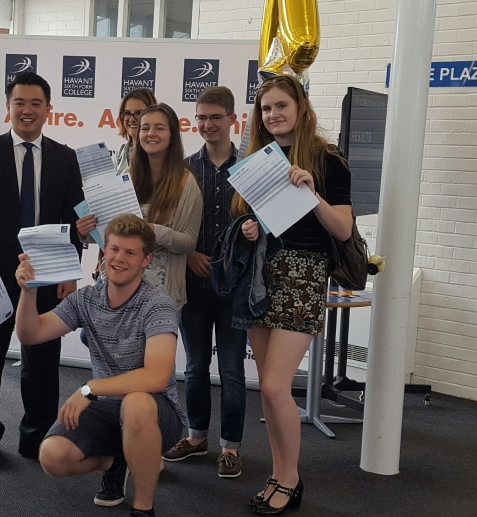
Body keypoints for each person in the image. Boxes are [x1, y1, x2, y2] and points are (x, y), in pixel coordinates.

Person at [233, 75, 352, 515]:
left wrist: (312, 193)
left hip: (303, 274)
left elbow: (342, 228)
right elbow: (259, 222)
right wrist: (248, 227)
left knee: (275, 385)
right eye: (266, 109)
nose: (273, 115)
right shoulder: (258, 159)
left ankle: (290, 477)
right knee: (267, 392)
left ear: (301, 107)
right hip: (262, 273)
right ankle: (279, 474)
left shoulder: (327, 158)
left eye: (281, 106)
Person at [14, 214, 187, 517]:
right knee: (52, 456)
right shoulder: (86, 299)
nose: (119, 259)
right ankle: (117, 460)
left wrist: (90, 387)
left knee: (135, 404)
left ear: (146, 259)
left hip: (157, 412)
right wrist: (28, 292)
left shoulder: (158, 304)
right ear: (104, 251)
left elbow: (157, 377)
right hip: (108, 408)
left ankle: (143, 508)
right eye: (114, 249)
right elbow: (31, 334)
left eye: (130, 253)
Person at [0, 71, 85, 466]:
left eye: (36, 103)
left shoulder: (66, 157)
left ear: (49, 109)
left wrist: (71, 271)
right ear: (8, 107)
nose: (28, 110)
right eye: (20, 103)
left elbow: (72, 217)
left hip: (48, 272)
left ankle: (37, 436)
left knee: (43, 359)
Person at [162, 86, 249, 479]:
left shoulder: (250, 167)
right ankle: (196, 438)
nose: (207, 124)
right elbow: (170, 226)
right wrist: (189, 253)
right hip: (193, 283)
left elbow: (266, 226)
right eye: (200, 117)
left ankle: (230, 448)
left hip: (235, 285)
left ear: (233, 119)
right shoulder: (182, 168)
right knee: (195, 367)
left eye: (215, 117)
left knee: (232, 370)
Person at [77, 103, 202, 310]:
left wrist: (154, 232)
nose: (151, 134)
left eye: (159, 128)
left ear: (172, 134)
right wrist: (86, 232)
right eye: (145, 128)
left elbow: (188, 242)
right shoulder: (128, 175)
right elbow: (112, 232)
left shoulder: (186, 182)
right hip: (120, 291)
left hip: (161, 296)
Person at [112, 88, 157, 174]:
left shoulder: (159, 154)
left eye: (139, 113)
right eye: (127, 113)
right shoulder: (119, 153)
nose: (132, 119)